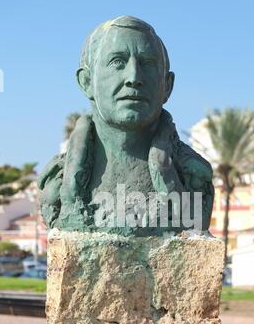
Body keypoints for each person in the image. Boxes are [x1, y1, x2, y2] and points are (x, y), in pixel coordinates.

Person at [38, 16, 214, 234]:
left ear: (167, 85)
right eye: (117, 62)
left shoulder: (193, 178)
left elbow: (193, 227)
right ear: (86, 82)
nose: (133, 77)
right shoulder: (58, 184)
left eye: (148, 64)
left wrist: (165, 172)